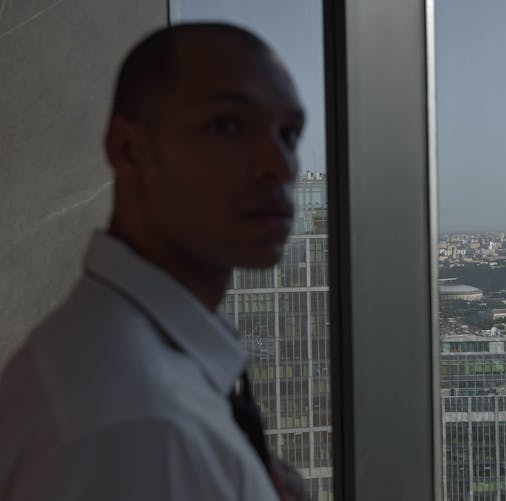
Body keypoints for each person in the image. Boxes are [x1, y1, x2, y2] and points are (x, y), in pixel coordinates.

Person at [0, 23, 308, 501]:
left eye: (288, 134)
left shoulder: (110, 358)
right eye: (227, 125)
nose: (280, 164)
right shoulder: (141, 430)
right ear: (127, 148)